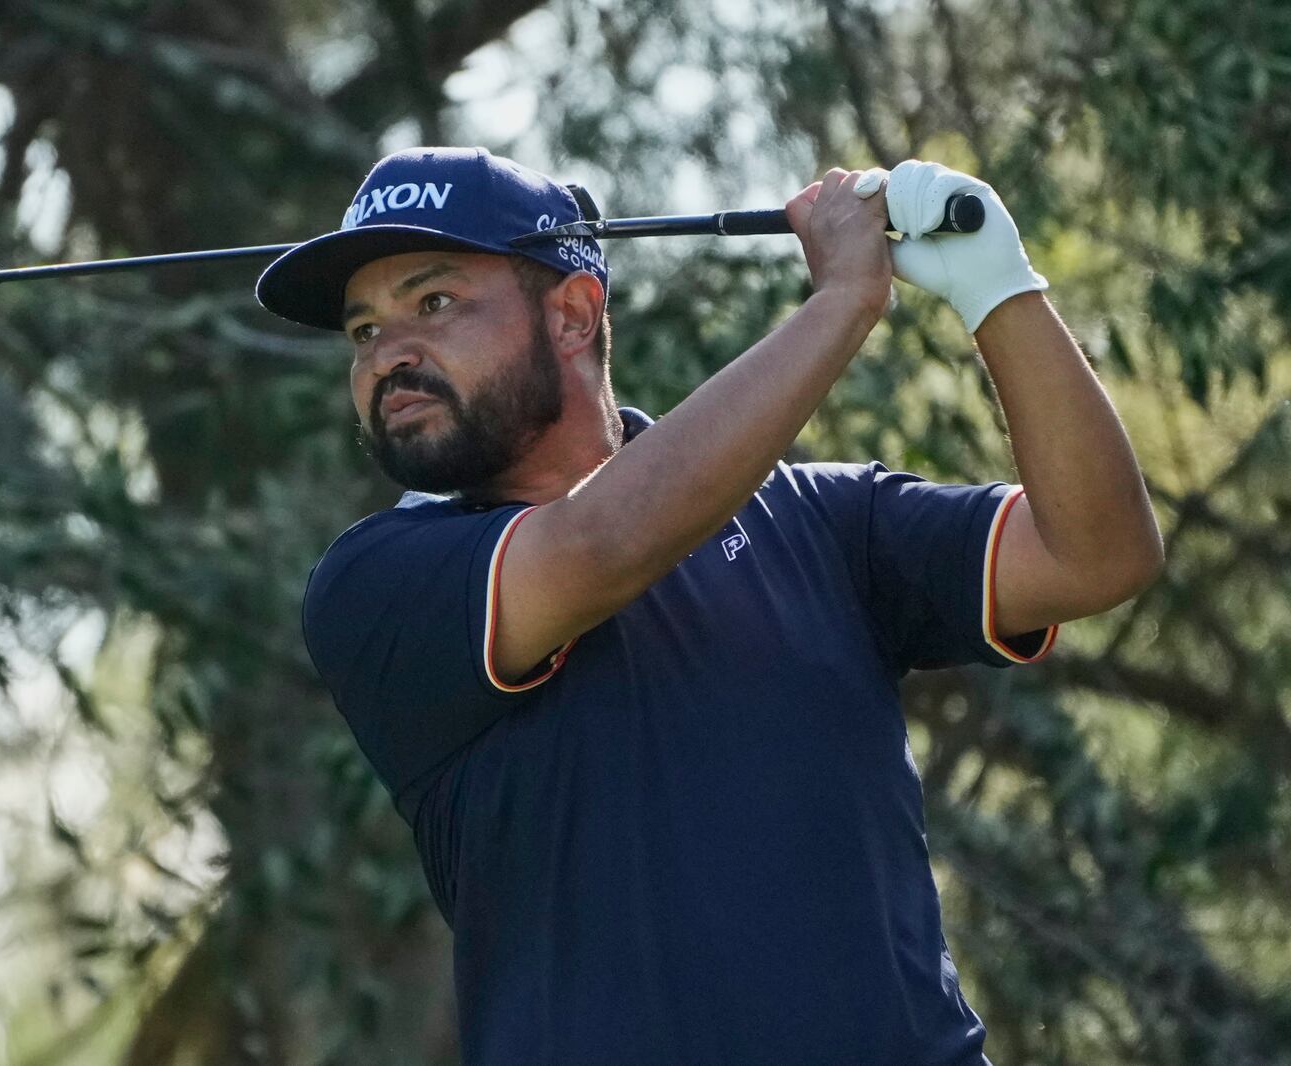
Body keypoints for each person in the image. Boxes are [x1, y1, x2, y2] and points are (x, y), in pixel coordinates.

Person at [255, 147, 1163, 1064]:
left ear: (570, 314)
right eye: (363, 330)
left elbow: (1099, 553)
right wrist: (844, 301)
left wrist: (999, 288)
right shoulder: (377, 583)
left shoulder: (820, 519)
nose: (390, 355)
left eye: (434, 302)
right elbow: (604, 543)